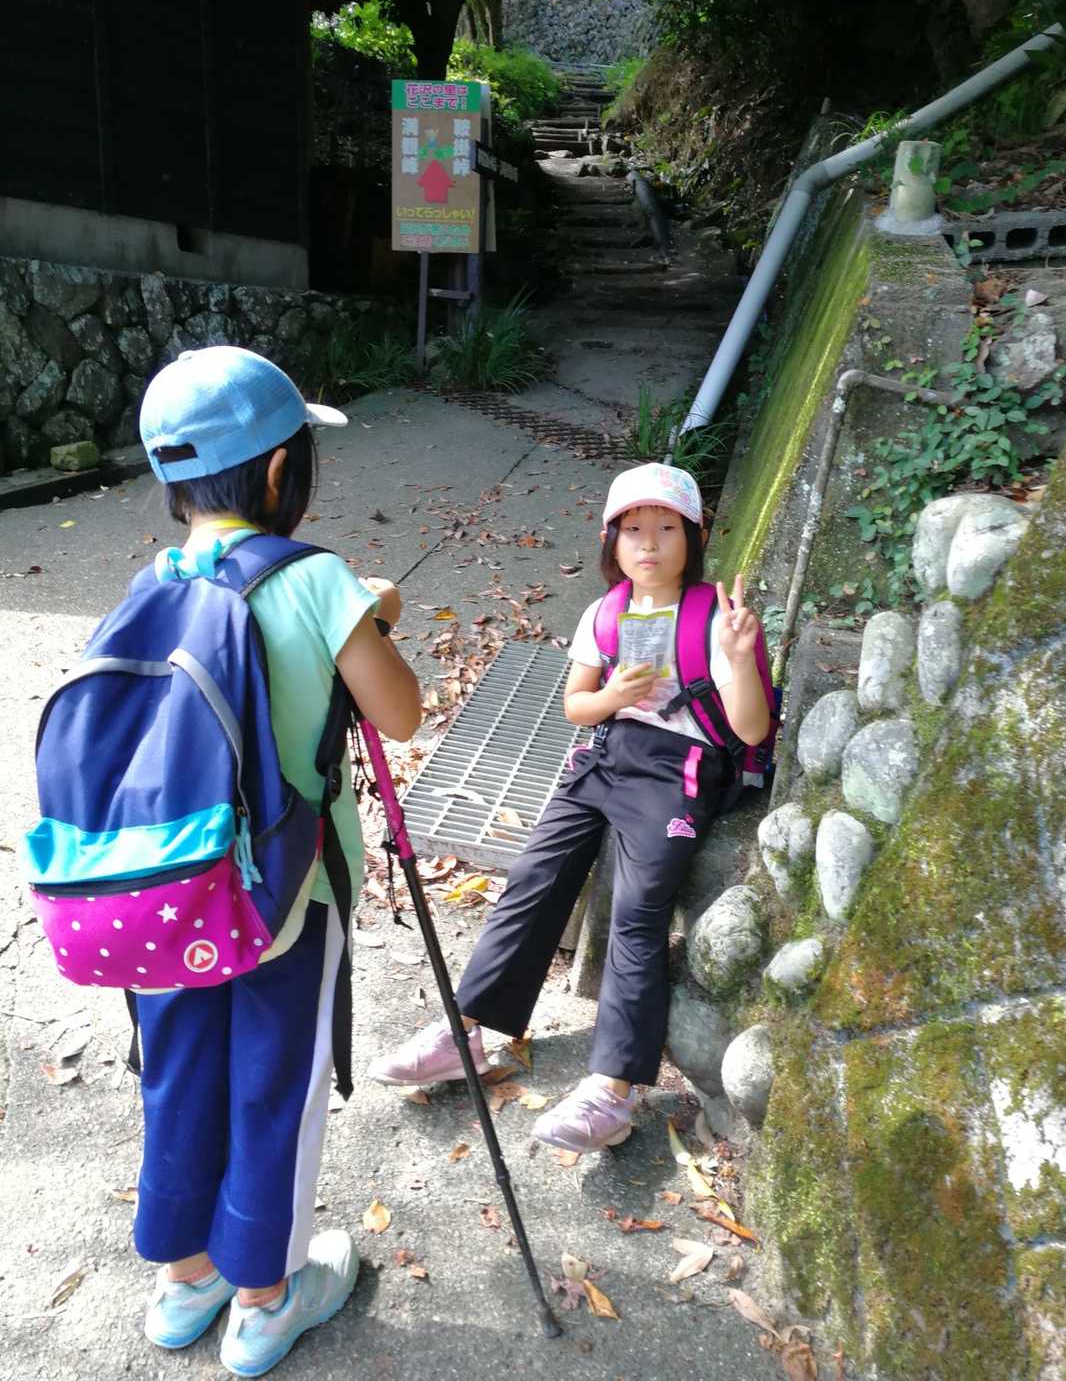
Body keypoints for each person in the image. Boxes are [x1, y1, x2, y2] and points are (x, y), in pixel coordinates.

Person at [133, 347, 421, 1376]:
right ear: (275, 471)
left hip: (161, 893)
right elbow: (400, 711)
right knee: (273, 1085)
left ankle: (185, 1283)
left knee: (177, 1075)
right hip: (285, 897)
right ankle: (263, 1300)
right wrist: (371, 614)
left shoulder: (153, 583)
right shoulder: (316, 581)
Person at [369, 462, 770, 1152]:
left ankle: (613, 1090)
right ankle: (465, 1032)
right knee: (534, 877)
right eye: (633, 530)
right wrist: (615, 697)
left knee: (638, 914)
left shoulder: (714, 617)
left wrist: (739, 655)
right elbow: (577, 707)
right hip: (607, 754)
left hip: (679, 771)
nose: (649, 544)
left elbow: (752, 730)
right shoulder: (604, 613)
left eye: (667, 528)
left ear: (696, 537)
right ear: (611, 541)